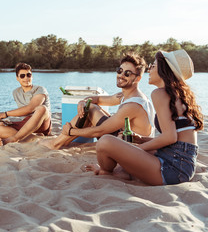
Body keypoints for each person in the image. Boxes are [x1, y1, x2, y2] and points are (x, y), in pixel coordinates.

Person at [86, 49, 203, 185]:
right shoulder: (176, 95)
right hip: (182, 165)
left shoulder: (160, 94)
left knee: (105, 141)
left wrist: (137, 149)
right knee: (127, 141)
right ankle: (121, 172)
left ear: (164, 70)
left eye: (153, 65)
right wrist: (142, 140)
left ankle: (106, 172)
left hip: (172, 169)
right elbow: (174, 138)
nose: (149, 69)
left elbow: (170, 137)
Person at [40, 52, 155, 150]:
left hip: (131, 146)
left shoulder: (133, 104)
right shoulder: (124, 95)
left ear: (137, 78)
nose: (121, 75)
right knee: (90, 107)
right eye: (120, 70)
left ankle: (56, 143)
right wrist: (83, 102)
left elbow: (100, 130)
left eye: (127, 73)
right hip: (123, 137)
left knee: (90, 109)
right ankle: (61, 142)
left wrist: (70, 131)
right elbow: (98, 99)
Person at [0, 62, 51, 145]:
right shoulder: (16, 92)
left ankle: (14, 138)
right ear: (17, 78)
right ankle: (33, 138)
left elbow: (31, 108)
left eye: (28, 75)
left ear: (32, 76)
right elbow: (23, 112)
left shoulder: (40, 89)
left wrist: (7, 114)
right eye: (22, 76)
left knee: (42, 108)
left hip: (42, 122)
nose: (26, 78)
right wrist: (8, 122)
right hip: (26, 123)